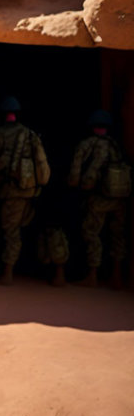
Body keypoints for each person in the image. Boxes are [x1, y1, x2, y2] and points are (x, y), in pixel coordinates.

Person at [0, 96, 50, 284]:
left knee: (11, 232)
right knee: (20, 230)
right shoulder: (30, 135)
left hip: (10, 192)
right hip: (30, 192)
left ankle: (8, 272)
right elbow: (42, 166)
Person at [67, 110, 130, 289]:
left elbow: (75, 173)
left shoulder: (88, 144)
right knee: (118, 235)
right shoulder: (115, 145)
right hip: (119, 197)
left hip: (99, 198)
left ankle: (92, 275)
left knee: (91, 234)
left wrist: (76, 186)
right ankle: (117, 276)